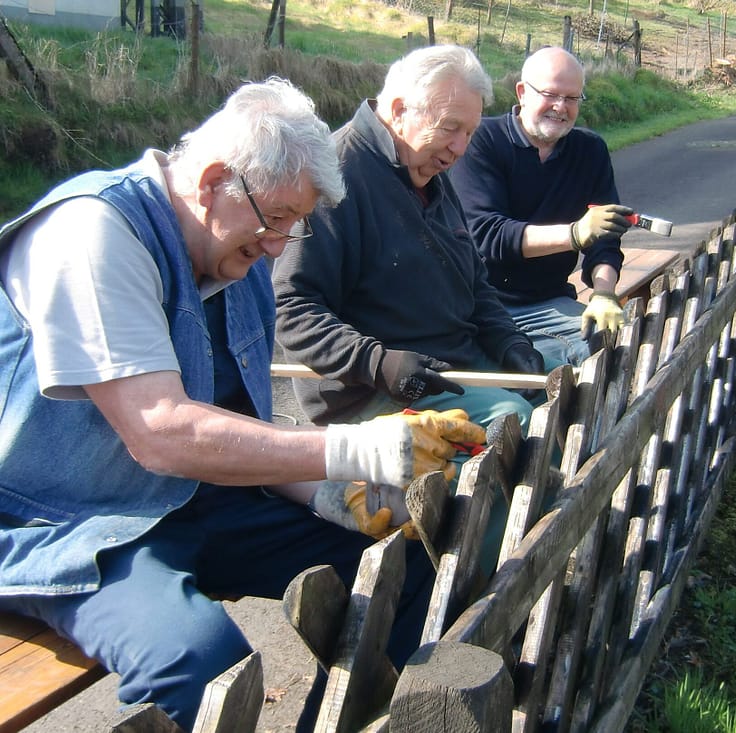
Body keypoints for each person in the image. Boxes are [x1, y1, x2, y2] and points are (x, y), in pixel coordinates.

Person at [0, 77, 485, 731]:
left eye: (296, 224)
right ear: (213, 183)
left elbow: (235, 430)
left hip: (193, 499)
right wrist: (363, 447)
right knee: (204, 667)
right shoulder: (94, 233)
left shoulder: (236, 250)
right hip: (69, 523)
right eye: (279, 218)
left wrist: (329, 491)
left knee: (404, 568)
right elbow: (162, 433)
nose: (282, 246)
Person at [273, 45, 551, 436]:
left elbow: (474, 283)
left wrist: (509, 343)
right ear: (401, 110)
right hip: (375, 390)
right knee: (518, 426)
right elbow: (291, 307)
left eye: (469, 132)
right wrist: (379, 363)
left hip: (459, 359)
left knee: (561, 376)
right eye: (450, 128)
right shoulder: (335, 176)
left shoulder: (427, 170)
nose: (460, 148)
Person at [449, 46, 633, 366]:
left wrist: (604, 292)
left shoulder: (590, 151)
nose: (560, 108)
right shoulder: (482, 140)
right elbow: (486, 235)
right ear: (522, 92)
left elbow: (605, 237)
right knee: (554, 368)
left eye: (572, 98)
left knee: (620, 346)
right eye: (550, 94)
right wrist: (574, 234)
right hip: (481, 307)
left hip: (551, 301)